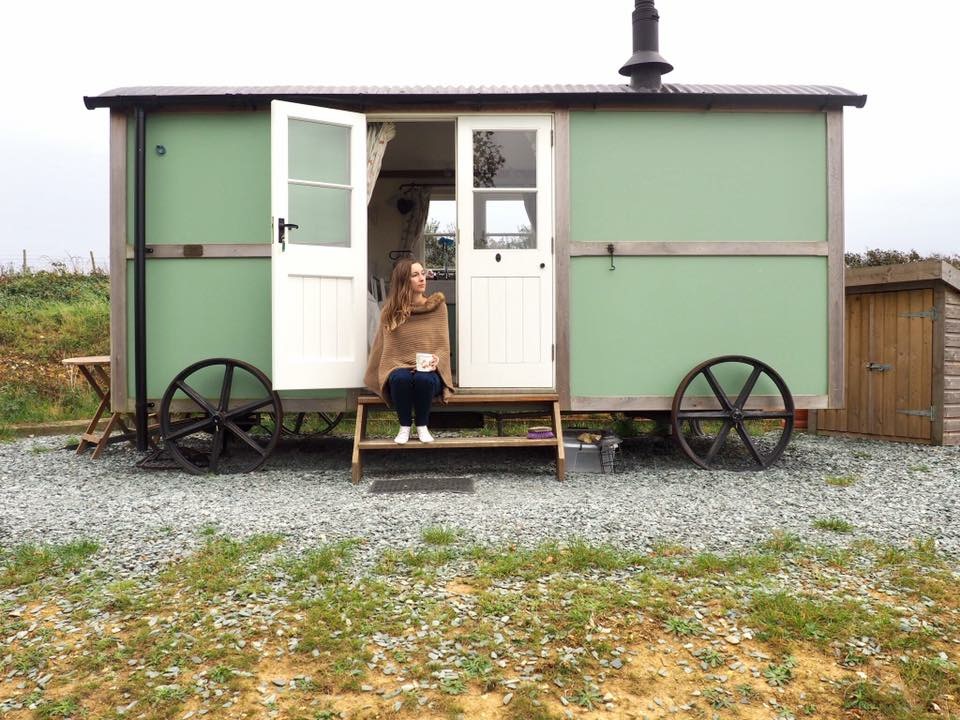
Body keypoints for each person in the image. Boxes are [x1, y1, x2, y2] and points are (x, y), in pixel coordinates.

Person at [364, 258, 454, 444]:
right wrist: (398, 366)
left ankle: (422, 426)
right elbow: (387, 350)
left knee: (423, 379)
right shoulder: (390, 312)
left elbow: (443, 346)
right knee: (400, 378)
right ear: (404, 281)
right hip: (399, 369)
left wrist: (437, 361)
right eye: (415, 275)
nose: (422, 278)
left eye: (422, 273)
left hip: (429, 372)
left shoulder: (438, 308)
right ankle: (404, 426)